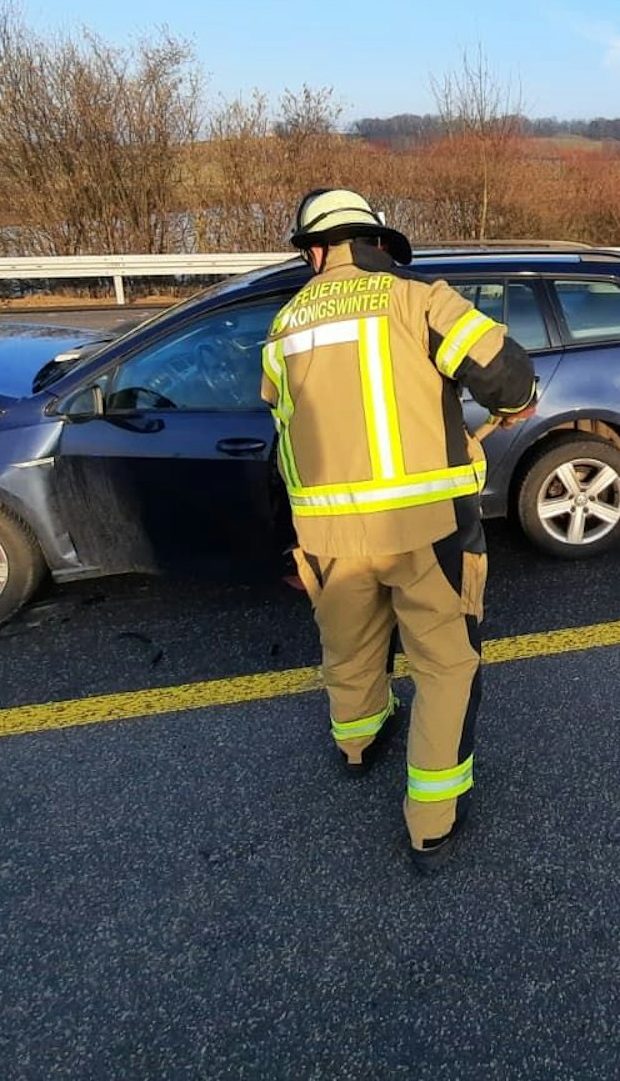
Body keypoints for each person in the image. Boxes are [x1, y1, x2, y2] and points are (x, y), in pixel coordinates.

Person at [260, 188, 537, 874]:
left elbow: (280, 439)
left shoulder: (283, 327)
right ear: (376, 243)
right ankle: (431, 822)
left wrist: (286, 541)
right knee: (445, 666)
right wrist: (519, 405)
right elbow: (506, 374)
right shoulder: (417, 300)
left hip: (325, 537)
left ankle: (357, 744)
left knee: (348, 645)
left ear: (317, 250)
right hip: (426, 531)